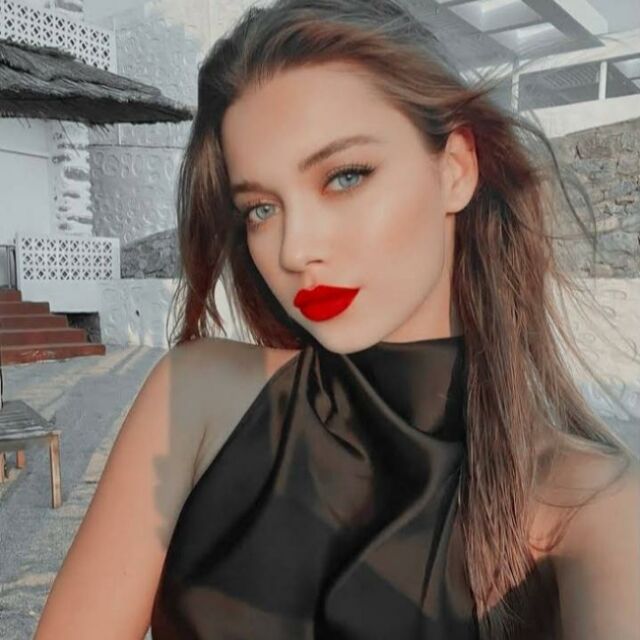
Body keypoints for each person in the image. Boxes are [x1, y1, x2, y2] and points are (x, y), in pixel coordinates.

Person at [34, 0, 640, 639]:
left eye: (345, 177)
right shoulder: (200, 395)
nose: (294, 250)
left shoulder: (586, 506)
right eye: (261, 208)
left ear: (456, 169)